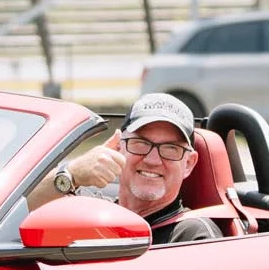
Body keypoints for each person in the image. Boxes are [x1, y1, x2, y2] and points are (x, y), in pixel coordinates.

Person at [27, 92, 222, 246]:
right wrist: (71, 173)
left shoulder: (194, 236)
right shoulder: (91, 211)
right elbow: (18, 207)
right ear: (119, 147)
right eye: (140, 143)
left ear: (188, 164)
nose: (153, 160)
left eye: (171, 149)